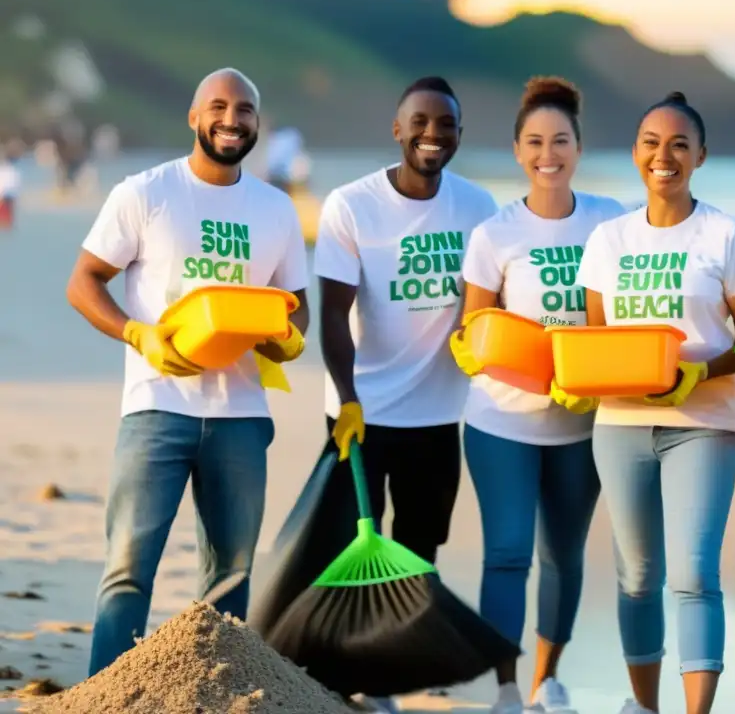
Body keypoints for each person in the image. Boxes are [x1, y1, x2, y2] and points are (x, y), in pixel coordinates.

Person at [66, 68, 310, 676]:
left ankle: (218, 693)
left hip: (242, 415)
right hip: (156, 405)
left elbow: (295, 306)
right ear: (195, 117)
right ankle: (107, 694)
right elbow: (83, 282)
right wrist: (136, 332)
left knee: (231, 576)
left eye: (246, 109)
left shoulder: (276, 208)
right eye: (219, 106)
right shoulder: (145, 192)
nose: (233, 119)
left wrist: (284, 340)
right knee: (128, 567)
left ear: (258, 123)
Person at [575, 92, 735, 714]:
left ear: (701, 156)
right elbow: (598, 344)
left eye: (680, 144)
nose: (665, 155)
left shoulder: (725, 234)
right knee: (636, 578)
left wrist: (698, 373)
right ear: (636, 153)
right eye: (653, 143)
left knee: (693, 577)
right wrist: (577, 377)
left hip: (703, 426)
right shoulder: (608, 239)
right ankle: (645, 706)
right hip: (621, 427)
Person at [313, 76, 497, 712]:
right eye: (420, 122)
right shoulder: (351, 205)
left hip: (439, 412)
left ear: (458, 136)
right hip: (360, 412)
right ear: (397, 130)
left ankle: (399, 663)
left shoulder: (478, 208)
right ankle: (354, 667)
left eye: (445, 125)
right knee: (358, 543)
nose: (432, 135)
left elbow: (495, 301)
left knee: (421, 545)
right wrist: (347, 397)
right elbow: (333, 312)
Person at [449, 77, 625, 714]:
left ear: (578, 147)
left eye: (560, 140)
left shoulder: (610, 221)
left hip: (581, 426)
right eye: (534, 142)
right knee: (506, 553)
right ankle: (503, 688)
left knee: (564, 556)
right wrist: (487, 356)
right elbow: (471, 331)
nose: (547, 152)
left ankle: (547, 681)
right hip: (502, 421)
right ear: (518, 152)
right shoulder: (495, 234)